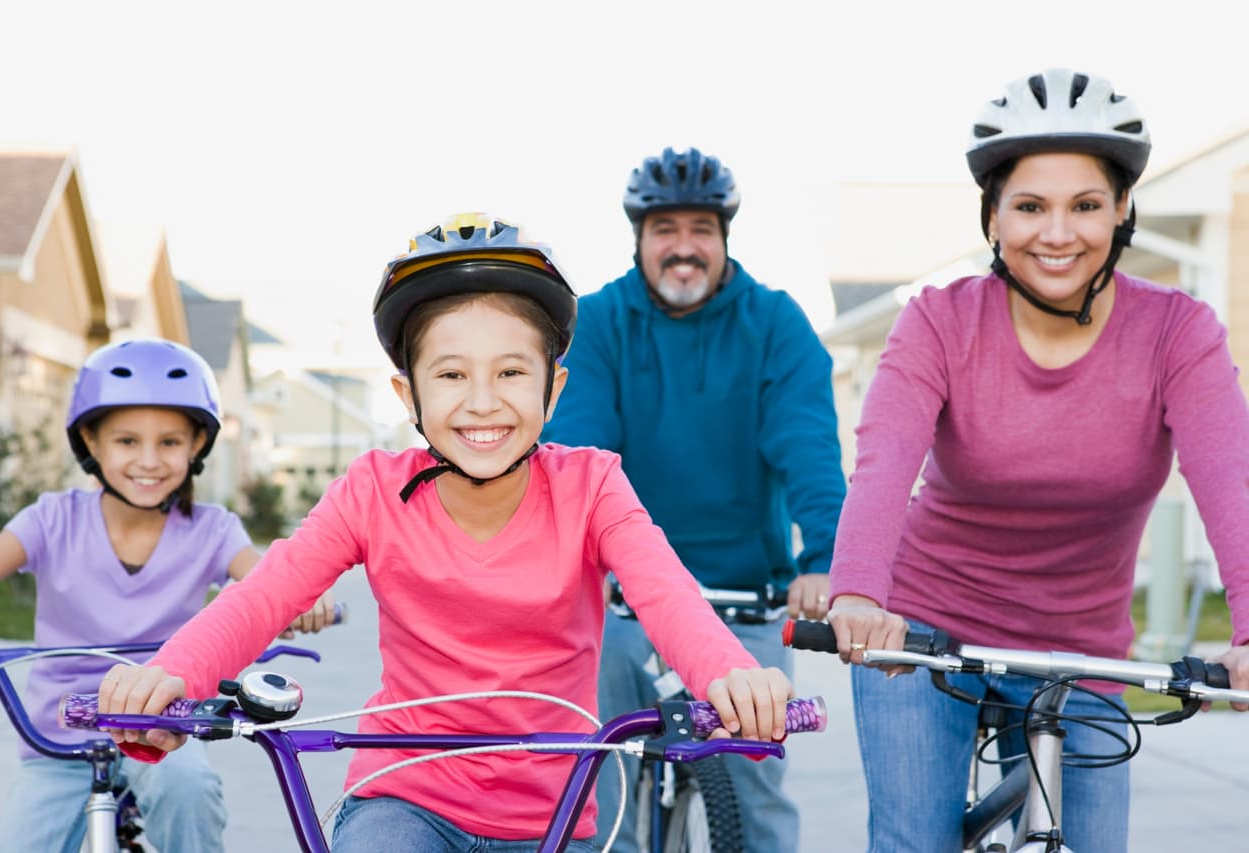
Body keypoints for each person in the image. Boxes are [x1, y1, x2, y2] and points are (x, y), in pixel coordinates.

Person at [96, 213, 795, 853]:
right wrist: (171, 675)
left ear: (553, 391)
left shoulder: (592, 485)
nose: (483, 401)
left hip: (556, 811)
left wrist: (730, 676)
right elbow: (265, 595)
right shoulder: (372, 489)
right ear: (410, 395)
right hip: (406, 795)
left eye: (512, 372)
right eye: (452, 373)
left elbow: (666, 594)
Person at [823, 67, 1249, 853]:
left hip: (1079, 650)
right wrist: (856, 592)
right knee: (914, 840)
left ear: (1122, 211)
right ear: (992, 217)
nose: (1058, 233)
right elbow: (884, 465)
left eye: (1085, 205)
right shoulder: (938, 323)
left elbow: (1231, 477)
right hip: (922, 636)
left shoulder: (1178, 335)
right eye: (1030, 206)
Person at [542, 146, 846, 853]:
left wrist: (825, 557)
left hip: (746, 592)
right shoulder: (595, 323)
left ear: (725, 237)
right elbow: (584, 456)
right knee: (600, 769)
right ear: (639, 238)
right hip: (623, 593)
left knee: (754, 776)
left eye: (701, 229)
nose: (684, 247)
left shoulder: (775, 323)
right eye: (665, 229)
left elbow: (807, 447)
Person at [0, 338, 334, 853]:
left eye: (169, 442)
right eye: (126, 441)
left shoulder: (212, 529)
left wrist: (302, 601)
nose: (149, 460)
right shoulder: (51, 520)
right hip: (59, 741)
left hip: (163, 729)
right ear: (91, 443)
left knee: (191, 790)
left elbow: (266, 582)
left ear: (197, 446)